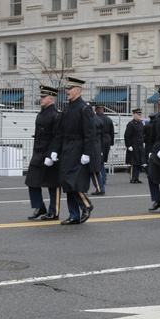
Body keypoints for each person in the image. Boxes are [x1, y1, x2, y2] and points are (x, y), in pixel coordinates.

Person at [48, 76, 97, 224]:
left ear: (79, 90)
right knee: (65, 182)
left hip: (78, 147)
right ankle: (74, 215)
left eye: (70, 89)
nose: (67, 91)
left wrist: (87, 153)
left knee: (72, 181)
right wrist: (55, 150)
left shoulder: (85, 109)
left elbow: (90, 133)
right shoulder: (67, 108)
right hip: (67, 147)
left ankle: (86, 205)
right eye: (67, 89)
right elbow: (60, 132)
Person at [25, 85, 61, 220]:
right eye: (41, 97)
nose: (41, 99)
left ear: (51, 98)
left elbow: (57, 136)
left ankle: (54, 211)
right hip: (38, 152)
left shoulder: (56, 115)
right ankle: (39, 207)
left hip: (50, 153)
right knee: (32, 181)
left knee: (52, 184)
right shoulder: (41, 113)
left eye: (44, 97)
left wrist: (53, 154)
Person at [124, 108, 146, 183]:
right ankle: (132, 177)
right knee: (134, 162)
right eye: (138, 114)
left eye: (140, 114)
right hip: (133, 145)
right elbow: (127, 135)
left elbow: (142, 134)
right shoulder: (131, 124)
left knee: (139, 163)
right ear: (134, 115)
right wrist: (128, 145)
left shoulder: (140, 123)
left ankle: (136, 177)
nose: (140, 116)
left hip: (139, 145)